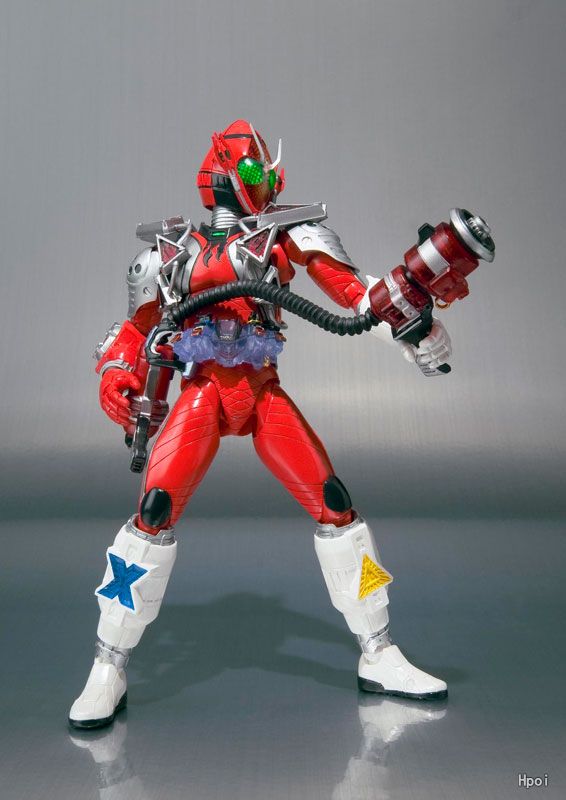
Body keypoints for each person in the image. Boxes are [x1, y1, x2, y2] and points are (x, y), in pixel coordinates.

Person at [69, 118, 474, 730]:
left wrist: (412, 320)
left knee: (334, 504)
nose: (268, 182)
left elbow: (355, 298)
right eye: (258, 169)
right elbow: (132, 332)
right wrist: (115, 377)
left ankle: (379, 652)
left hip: (260, 393)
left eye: (268, 173)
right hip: (203, 392)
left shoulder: (285, 235)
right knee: (153, 511)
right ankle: (108, 665)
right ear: (227, 172)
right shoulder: (169, 252)